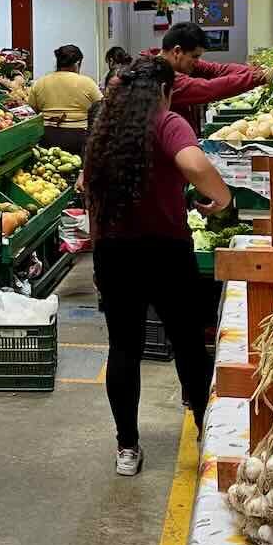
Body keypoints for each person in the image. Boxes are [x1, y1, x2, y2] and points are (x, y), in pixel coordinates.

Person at [83, 56, 231, 476]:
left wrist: (99, 251)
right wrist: (222, 199)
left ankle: (127, 447)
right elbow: (194, 163)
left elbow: (89, 193)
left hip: (115, 253)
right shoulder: (168, 123)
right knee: (187, 343)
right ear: (165, 91)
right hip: (166, 251)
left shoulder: (105, 130)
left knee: (124, 349)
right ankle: (206, 429)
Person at [144, 21, 269, 133]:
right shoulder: (158, 75)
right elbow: (208, 89)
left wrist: (259, 71)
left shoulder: (175, 63)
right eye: (195, 56)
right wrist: (258, 78)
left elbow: (217, 70)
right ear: (177, 51)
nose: (197, 61)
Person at [27, 43, 101, 155]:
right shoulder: (87, 82)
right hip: (79, 138)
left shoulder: (40, 83)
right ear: (77, 63)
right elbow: (102, 108)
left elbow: (32, 110)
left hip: (46, 137)